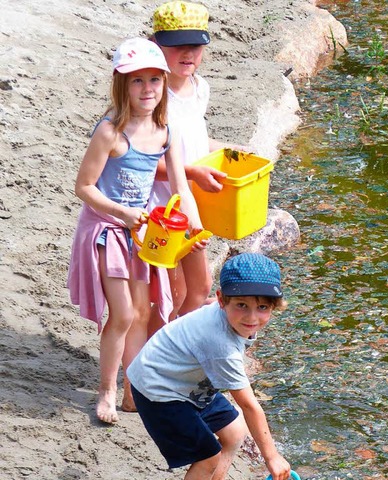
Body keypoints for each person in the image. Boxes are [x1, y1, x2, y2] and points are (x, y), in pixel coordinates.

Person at [67, 37, 207, 424]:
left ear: (164, 84)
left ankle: (134, 392)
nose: (147, 90)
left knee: (144, 311)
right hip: (106, 229)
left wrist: (194, 226)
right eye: (137, 81)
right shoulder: (111, 132)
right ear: (122, 85)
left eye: (154, 81)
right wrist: (122, 213)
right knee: (124, 312)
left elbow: (180, 186)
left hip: (142, 231)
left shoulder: (166, 129)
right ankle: (107, 391)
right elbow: (84, 187)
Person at [127, 253, 292, 480]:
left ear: (274, 306)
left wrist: (236, 306)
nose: (252, 318)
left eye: (262, 307)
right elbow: (249, 405)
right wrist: (271, 456)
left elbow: (211, 306)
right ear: (222, 300)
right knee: (208, 457)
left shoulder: (224, 311)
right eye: (241, 305)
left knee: (234, 433)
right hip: (159, 389)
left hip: (184, 381)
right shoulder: (221, 345)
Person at [147, 1, 249, 334]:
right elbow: (144, 161)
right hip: (161, 207)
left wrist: (231, 151)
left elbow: (194, 139)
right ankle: (160, 349)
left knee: (201, 287)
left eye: (196, 45)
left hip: (191, 203)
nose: (188, 53)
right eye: (178, 46)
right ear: (156, 45)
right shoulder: (153, 97)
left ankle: (172, 344)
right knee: (170, 292)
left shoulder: (199, 88)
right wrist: (192, 173)